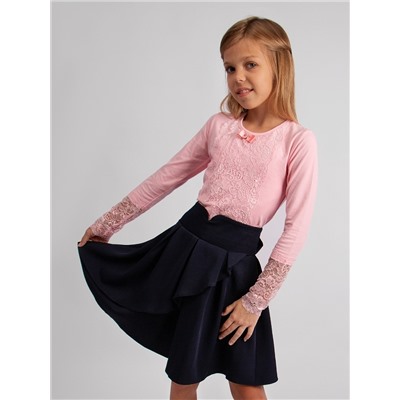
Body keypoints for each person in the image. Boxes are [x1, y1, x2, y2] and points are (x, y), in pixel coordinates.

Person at [78, 16, 318, 400]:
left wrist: (256, 301)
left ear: (280, 65)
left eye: (250, 64)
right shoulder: (219, 126)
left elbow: (297, 227)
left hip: (236, 273)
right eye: (230, 68)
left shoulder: (297, 141)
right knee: (184, 378)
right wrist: (107, 224)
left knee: (245, 382)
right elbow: (167, 176)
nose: (238, 77)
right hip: (184, 255)